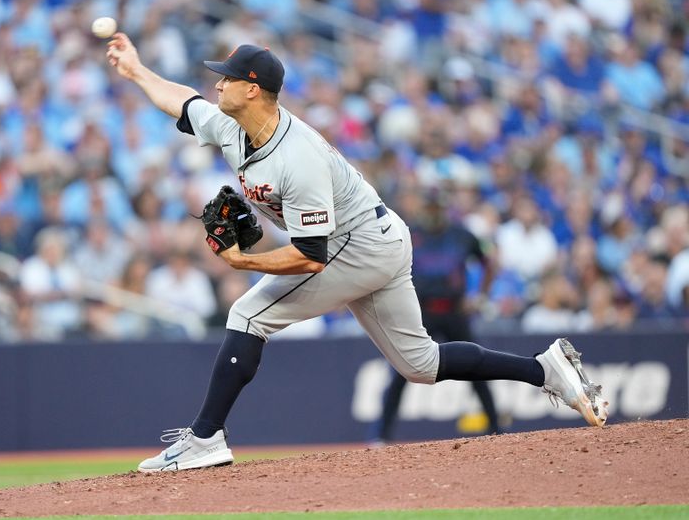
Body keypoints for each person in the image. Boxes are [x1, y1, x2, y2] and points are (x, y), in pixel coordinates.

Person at [104, 34, 609, 473]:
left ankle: (206, 437)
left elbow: (310, 256)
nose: (218, 85)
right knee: (420, 364)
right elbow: (184, 102)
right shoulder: (234, 127)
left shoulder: (296, 156)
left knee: (248, 311)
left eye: (227, 79)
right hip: (380, 239)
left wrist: (244, 262)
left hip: (358, 245)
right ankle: (546, 370)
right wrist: (136, 70)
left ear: (252, 88)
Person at [368, 187, 501, 445]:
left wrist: (480, 296)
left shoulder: (462, 235)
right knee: (401, 370)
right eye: (430, 208)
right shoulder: (411, 233)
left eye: (438, 208)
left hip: (454, 311)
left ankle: (495, 427)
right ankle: (381, 435)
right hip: (420, 311)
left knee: (476, 368)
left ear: (444, 209)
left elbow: (489, 260)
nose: (434, 213)